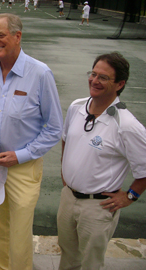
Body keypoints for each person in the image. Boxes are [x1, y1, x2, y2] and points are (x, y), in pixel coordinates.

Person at [0, 13, 63, 270]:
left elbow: (54, 128)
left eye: (0, 35)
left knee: (20, 231)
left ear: (17, 36)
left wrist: (21, 155)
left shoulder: (40, 73)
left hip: (23, 168)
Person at [58, 52, 146, 270]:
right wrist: (65, 174)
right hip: (68, 197)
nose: (94, 81)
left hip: (98, 207)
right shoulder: (76, 107)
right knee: (68, 256)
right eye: (93, 74)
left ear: (120, 84)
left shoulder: (127, 125)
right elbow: (66, 140)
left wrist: (130, 196)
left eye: (103, 77)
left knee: (90, 263)